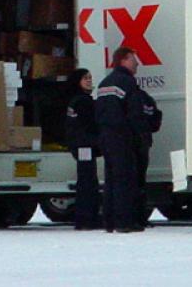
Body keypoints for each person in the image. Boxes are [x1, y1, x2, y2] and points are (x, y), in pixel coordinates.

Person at [95, 47, 149, 233]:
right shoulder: (127, 83)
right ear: (124, 60)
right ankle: (125, 222)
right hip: (123, 137)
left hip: (106, 137)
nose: (137, 63)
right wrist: (140, 137)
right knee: (126, 180)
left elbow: (99, 112)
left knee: (111, 180)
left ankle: (109, 221)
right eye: (134, 59)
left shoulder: (104, 84)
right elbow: (135, 114)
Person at [64, 68, 101, 230]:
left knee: (86, 180)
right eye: (85, 78)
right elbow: (89, 125)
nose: (89, 80)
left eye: (90, 78)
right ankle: (87, 217)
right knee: (88, 181)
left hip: (80, 145)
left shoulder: (74, 101)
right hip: (85, 146)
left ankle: (85, 216)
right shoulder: (83, 101)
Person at [134, 87, 162, 227]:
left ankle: (133, 216)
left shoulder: (129, 97)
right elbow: (155, 121)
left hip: (131, 144)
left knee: (129, 181)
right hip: (144, 142)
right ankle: (139, 216)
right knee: (140, 181)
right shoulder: (145, 97)